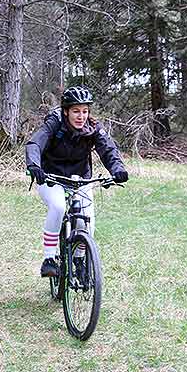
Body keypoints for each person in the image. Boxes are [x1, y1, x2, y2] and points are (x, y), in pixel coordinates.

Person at [25, 86, 128, 278]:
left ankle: (80, 259)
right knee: (58, 207)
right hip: (50, 176)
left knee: (86, 222)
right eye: (76, 111)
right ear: (66, 111)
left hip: (80, 177)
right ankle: (49, 259)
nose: (81, 116)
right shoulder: (54, 122)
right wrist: (34, 165)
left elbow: (108, 149)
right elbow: (35, 143)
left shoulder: (93, 127)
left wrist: (118, 170)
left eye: (85, 111)